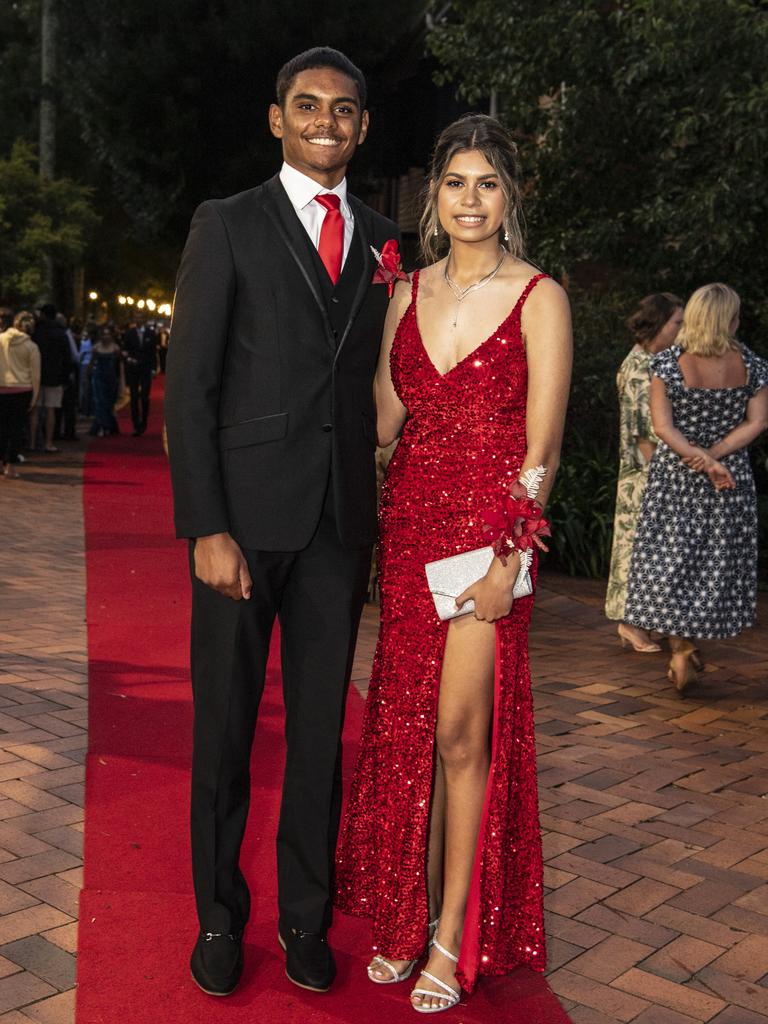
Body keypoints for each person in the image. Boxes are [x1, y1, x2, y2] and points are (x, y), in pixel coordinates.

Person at [165, 47, 399, 999]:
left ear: (362, 127)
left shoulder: (389, 240)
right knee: (223, 730)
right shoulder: (226, 225)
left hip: (340, 525)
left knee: (316, 737)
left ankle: (306, 917)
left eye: (343, 111)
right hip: (243, 522)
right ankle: (220, 915)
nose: (326, 122)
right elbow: (192, 386)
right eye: (308, 106)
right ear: (277, 120)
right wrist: (205, 526)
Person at [334, 114, 572, 1013]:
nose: (470, 200)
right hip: (409, 538)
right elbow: (382, 424)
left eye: (487, 184)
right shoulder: (405, 289)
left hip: (490, 541)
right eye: (454, 183)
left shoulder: (539, 296)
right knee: (403, 735)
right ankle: (405, 913)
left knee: (460, 736)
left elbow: (544, 443)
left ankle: (449, 933)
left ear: (510, 199)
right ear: (433, 196)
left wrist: (513, 560)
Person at [624, 283, 768, 692]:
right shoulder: (754, 365)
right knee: (713, 562)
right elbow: (758, 422)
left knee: (673, 560)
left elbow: (662, 427)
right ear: (731, 320)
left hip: (676, 477)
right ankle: (687, 645)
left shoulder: (667, 364)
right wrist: (717, 457)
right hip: (728, 478)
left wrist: (701, 459)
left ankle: (682, 647)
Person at [605, 293, 683, 651]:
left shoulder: (657, 363)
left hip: (656, 471)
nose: (682, 330)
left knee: (655, 549)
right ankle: (630, 624)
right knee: (636, 547)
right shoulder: (639, 367)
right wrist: (663, 479)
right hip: (644, 474)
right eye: (676, 323)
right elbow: (642, 431)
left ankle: (650, 619)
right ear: (658, 324)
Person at [0, 311, 41, 478]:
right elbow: (35, 374)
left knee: (1, 427)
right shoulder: (31, 347)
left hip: (1, 387)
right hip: (22, 390)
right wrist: (34, 397)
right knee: (16, 429)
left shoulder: (1, 339)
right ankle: (10, 465)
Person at [30, 304, 70, 453]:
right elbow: (67, 357)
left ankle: (33, 443)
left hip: (37, 375)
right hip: (55, 376)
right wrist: (65, 377)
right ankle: (48, 442)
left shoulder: (36, 331)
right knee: (51, 409)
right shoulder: (60, 333)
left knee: (35, 409)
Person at [121, 318, 157, 435]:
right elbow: (125, 349)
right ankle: (136, 424)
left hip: (146, 368)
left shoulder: (151, 333)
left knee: (145, 397)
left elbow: (153, 352)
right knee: (134, 396)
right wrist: (129, 359)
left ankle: (144, 422)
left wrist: (153, 368)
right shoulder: (129, 333)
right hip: (133, 368)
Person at [88, 327, 123, 437]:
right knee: (100, 402)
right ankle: (102, 426)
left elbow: (119, 364)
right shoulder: (96, 348)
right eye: (104, 334)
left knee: (109, 403)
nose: (106, 337)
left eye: (108, 334)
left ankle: (108, 426)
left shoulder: (116, 348)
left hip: (111, 378)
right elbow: (92, 363)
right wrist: (88, 375)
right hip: (99, 377)